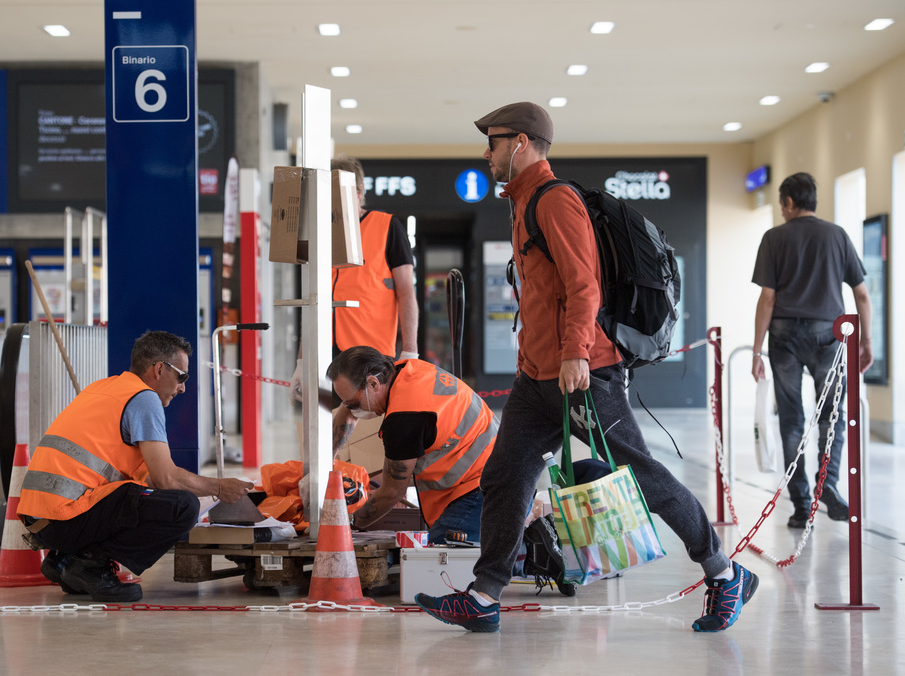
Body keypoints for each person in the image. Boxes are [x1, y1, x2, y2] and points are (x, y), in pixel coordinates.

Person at [415, 101, 757, 633]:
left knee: (640, 474)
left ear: (521, 143)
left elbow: (583, 285)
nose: (488, 153)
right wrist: (537, 361)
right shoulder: (522, 202)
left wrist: (575, 352)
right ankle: (485, 596)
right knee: (507, 475)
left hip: (583, 373)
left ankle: (724, 571)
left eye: (495, 142)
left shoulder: (555, 201)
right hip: (539, 378)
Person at [17, 330, 254, 602]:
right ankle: (91, 564)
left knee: (159, 497)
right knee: (182, 508)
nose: (182, 388)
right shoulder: (143, 398)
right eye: (182, 376)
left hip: (41, 522)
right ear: (159, 369)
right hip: (65, 517)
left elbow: (152, 479)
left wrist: (205, 490)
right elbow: (167, 479)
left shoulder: (104, 388)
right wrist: (220, 487)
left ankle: (68, 558)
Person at [751, 172, 873, 528]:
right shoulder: (837, 235)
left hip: (785, 334)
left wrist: (757, 350)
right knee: (831, 417)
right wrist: (866, 343)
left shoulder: (774, 238)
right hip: (830, 334)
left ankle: (802, 505)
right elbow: (862, 294)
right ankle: (828, 486)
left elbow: (767, 298)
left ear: (788, 202)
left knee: (791, 421)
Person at [326, 346, 493, 544]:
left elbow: (391, 492)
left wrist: (347, 524)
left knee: (442, 561)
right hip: (493, 471)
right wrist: (327, 459)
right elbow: (349, 410)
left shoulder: (404, 419)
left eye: (353, 403)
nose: (353, 410)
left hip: (485, 485)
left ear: (372, 383)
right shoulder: (404, 370)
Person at [290, 154, 420, 403]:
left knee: (371, 436)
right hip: (326, 354)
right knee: (327, 432)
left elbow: (406, 292)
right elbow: (313, 300)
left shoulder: (387, 227)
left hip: (373, 356)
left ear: (359, 192)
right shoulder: (319, 234)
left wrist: (410, 351)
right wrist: (301, 360)